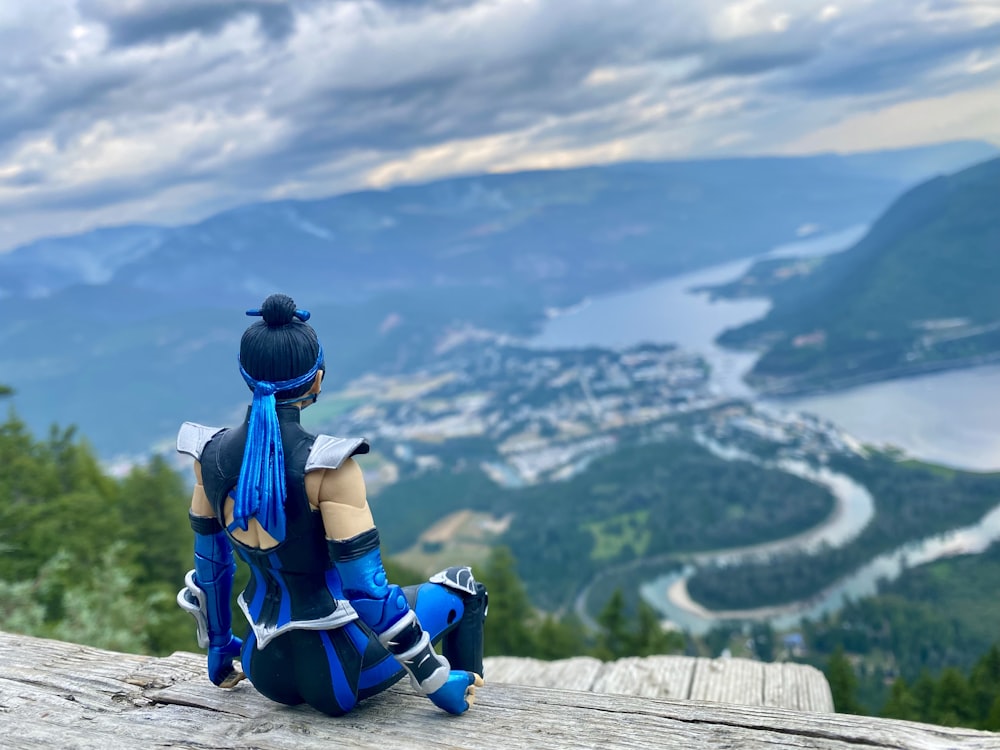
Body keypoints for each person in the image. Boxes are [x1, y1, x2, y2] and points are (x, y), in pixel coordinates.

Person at [175, 293, 487, 716]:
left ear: (246, 374)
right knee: (464, 588)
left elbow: (211, 569)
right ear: (316, 380)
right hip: (340, 675)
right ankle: (465, 687)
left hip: (261, 665)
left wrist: (218, 647)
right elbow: (368, 593)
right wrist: (434, 679)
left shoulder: (206, 454)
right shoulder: (328, 468)